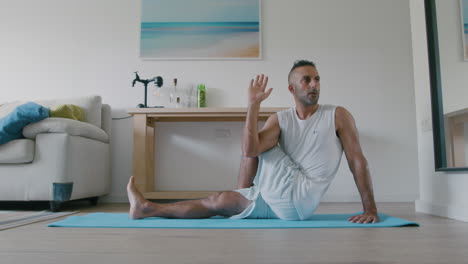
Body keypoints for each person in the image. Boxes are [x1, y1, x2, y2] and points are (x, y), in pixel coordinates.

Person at [127, 60, 379, 224]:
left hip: (300, 194)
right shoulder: (282, 119)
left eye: (317, 78)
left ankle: (243, 192)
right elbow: (250, 150)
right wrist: (253, 105)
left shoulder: (337, 115)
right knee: (218, 200)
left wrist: (371, 209)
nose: (314, 84)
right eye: (307, 80)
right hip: (282, 202)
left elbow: (357, 161)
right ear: (292, 89)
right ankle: (146, 208)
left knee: (256, 145)